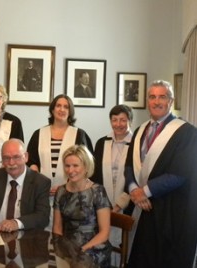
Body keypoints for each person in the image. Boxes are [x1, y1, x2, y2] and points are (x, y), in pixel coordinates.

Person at [124, 80, 197, 267]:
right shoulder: (140, 131)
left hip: (170, 212)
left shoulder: (187, 133)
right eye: (152, 97)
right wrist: (133, 190)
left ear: (171, 101)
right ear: (147, 101)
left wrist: (144, 192)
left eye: (162, 97)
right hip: (142, 209)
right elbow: (129, 167)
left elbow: (180, 173)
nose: (156, 102)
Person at [27, 94, 93, 230]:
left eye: (66, 107)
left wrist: (66, 186)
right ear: (52, 110)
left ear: (70, 111)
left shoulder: (79, 134)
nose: (61, 109)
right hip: (42, 195)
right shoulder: (39, 134)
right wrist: (39, 181)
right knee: (42, 236)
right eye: (58, 106)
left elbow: (87, 165)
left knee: (66, 235)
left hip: (72, 194)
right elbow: (31, 161)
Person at [53, 145, 112, 267]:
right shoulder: (60, 192)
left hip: (93, 248)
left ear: (86, 167)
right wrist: (61, 251)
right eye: (67, 166)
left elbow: (104, 233)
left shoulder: (98, 191)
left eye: (75, 166)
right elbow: (57, 228)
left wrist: (82, 250)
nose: (70, 170)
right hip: (67, 248)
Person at [0, 138, 50, 232]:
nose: (11, 163)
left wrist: (16, 223)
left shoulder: (40, 182)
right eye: (6, 158)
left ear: (25, 157)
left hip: (26, 237)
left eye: (16, 157)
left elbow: (43, 217)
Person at [91, 104, 132, 266]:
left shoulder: (137, 143)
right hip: (103, 204)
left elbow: (138, 176)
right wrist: (104, 204)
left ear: (130, 121)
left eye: (123, 120)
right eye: (114, 120)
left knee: (124, 246)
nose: (118, 124)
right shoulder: (102, 143)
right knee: (103, 244)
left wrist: (119, 204)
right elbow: (95, 176)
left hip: (128, 204)